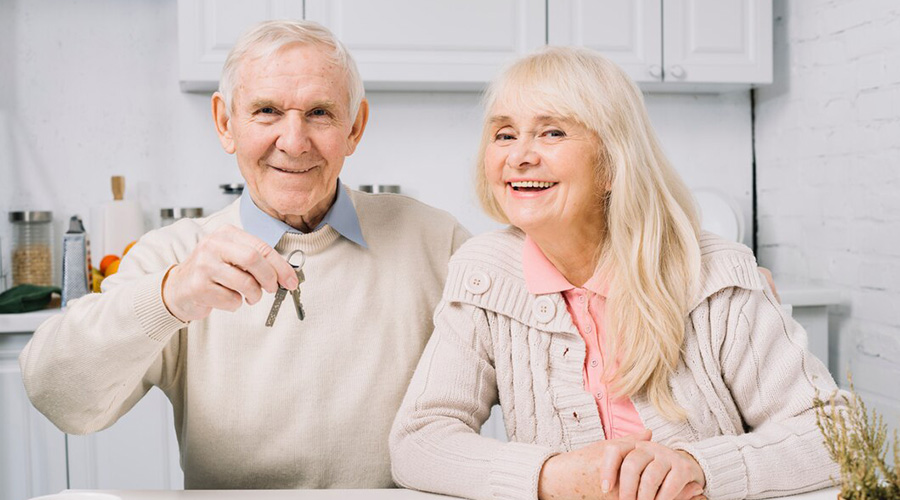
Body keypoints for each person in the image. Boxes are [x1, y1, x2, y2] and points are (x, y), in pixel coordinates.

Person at [20, 20, 468, 489]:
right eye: (267, 110)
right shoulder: (175, 255)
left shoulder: (437, 242)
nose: (294, 142)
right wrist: (168, 297)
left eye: (319, 112)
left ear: (354, 127)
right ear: (225, 123)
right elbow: (57, 397)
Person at [389, 46, 845, 500]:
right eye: (504, 135)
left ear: (611, 163)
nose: (519, 156)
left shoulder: (717, 274)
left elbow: (833, 434)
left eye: (551, 132)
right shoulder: (483, 273)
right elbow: (419, 441)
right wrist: (551, 476)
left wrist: (699, 467)